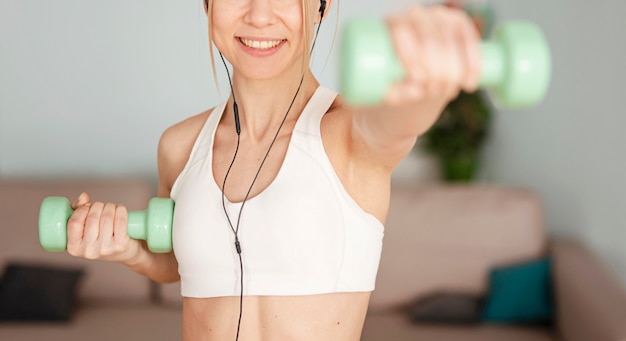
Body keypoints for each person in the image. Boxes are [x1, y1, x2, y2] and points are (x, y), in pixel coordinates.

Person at [65, 0, 481, 340]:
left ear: (322, 6)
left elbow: (395, 121)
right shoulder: (179, 146)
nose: (260, 15)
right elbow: (179, 263)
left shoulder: (349, 135)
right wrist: (128, 250)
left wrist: (426, 81)